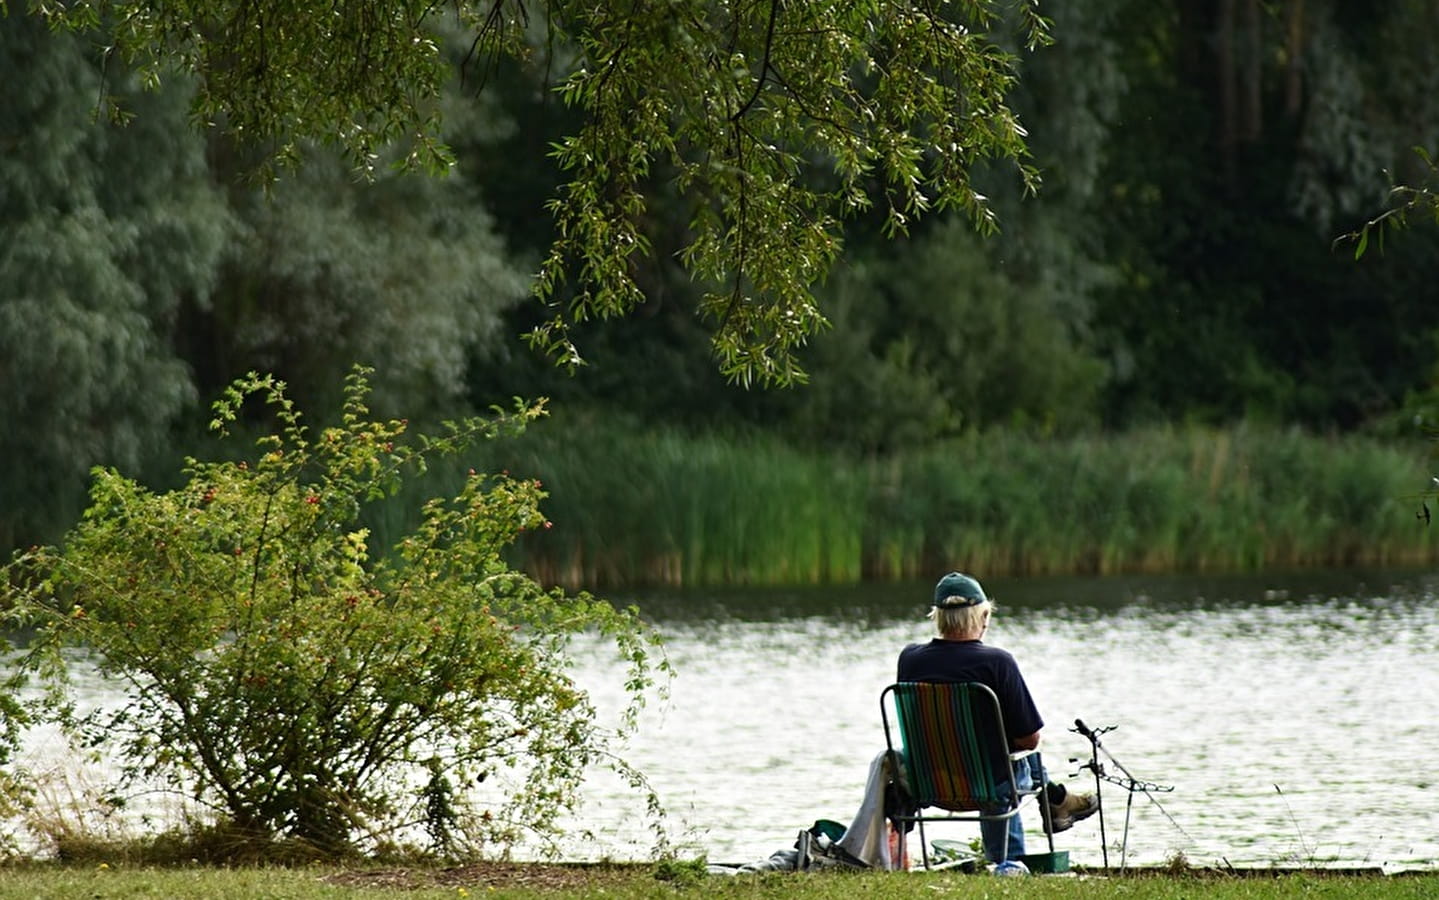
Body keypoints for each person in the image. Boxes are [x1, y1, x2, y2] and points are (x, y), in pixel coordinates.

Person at [896, 571, 1097, 867]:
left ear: (936, 616)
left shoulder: (910, 658)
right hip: (987, 785)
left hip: (928, 782)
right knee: (1021, 759)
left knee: (1007, 761)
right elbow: (1029, 739)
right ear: (984, 617)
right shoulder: (997, 662)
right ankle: (1014, 854)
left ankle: (1058, 801)